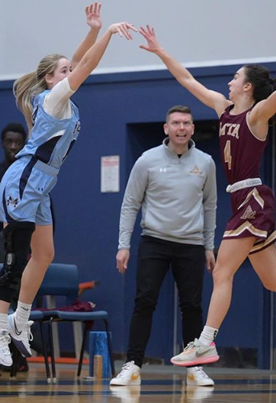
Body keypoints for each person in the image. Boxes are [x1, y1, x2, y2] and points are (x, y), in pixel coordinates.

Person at [138, 27, 276, 367]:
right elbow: (189, 81)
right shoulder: (224, 108)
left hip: (252, 200)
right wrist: (161, 52)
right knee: (272, 279)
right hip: (242, 200)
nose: (229, 82)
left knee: (222, 274)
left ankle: (205, 343)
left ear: (247, 87)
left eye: (235, 77)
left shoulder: (256, 115)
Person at [0, 3, 136, 367]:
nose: (71, 70)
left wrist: (93, 31)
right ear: (51, 79)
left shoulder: (60, 97)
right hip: (23, 180)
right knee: (16, 259)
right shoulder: (52, 98)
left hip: (42, 186)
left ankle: (20, 319)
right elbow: (85, 65)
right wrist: (110, 32)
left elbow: (79, 60)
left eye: (69, 68)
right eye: (63, 70)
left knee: (45, 254)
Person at [110, 105, 217, 388]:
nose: (181, 128)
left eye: (186, 123)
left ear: (193, 128)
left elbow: (210, 205)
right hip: (154, 241)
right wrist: (124, 245)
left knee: (192, 306)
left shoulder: (205, 162)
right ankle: (132, 366)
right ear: (166, 128)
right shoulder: (146, 161)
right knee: (144, 302)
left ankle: (194, 367)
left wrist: (209, 245)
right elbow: (130, 203)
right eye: (176, 123)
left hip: (192, 244)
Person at [0, 123, 27, 262]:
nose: (13, 147)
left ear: (24, 145)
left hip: (24, 241)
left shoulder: (31, 174)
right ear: (2, 143)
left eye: (18, 142)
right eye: (9, 142)